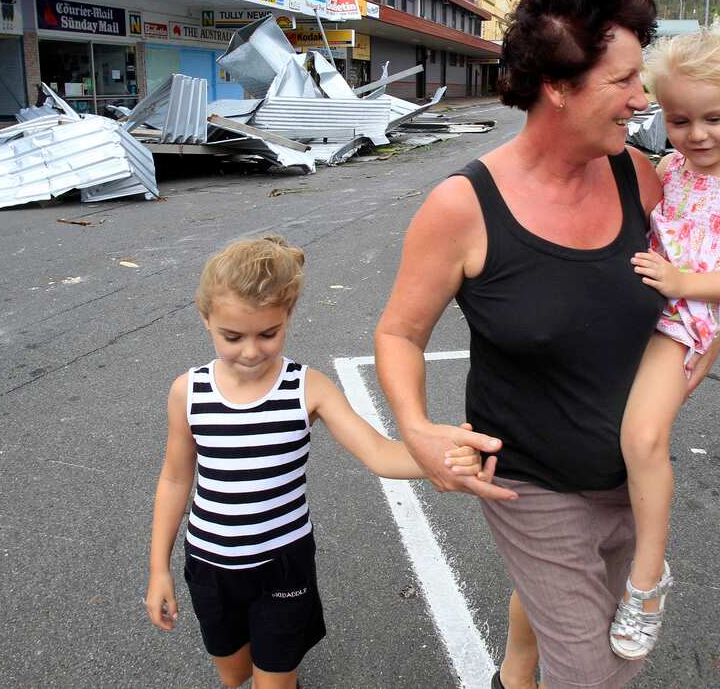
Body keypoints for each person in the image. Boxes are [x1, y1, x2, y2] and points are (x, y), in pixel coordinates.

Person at [375, 0, 720, 689]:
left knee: (596, 622)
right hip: (530, 479)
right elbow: (400, 333)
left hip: (631, 472)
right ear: (559, 86)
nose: (641, 98)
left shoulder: (639, 177)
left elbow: (697, 299)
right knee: (598, 668)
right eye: (623, 80)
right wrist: (417, 427)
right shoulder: (463, 207)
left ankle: (511, 675)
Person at [145, 236, 484, 689]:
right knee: (234, 673)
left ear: (288, 317)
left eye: (268, 334)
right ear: (206, 318)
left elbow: (380, 453)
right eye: (232, 336)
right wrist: (158, 569)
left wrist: (443, 459)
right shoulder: (188, 392)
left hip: (283, 563)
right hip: (210, 562)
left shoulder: (308, 388)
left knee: (275, 679)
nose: (250, 351)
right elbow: (174, 478)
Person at [609, 31, 720, 660]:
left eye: (714, 118)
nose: (698, 135)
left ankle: (647, 580)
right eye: (680, 119)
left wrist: (688, 284)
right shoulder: (671, 168)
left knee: (643, 437)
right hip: (643, 305)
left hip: (682, 317)